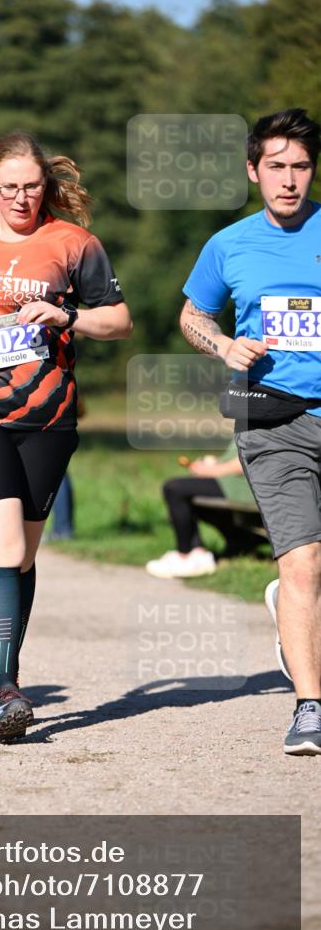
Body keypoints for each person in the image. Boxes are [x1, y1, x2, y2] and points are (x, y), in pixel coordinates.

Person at [0, 131, 132, 743]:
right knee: (4, 546)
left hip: (49, 417)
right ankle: (4, 691)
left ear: (46, 186)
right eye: (8, 187)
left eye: (31, 186)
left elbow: (118, 320)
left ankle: (0, 669)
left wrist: (66, 316)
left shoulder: (74, 244)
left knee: (25, 555)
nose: (19, 197)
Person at [179, 108, 321, 756]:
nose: (288, 180)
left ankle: (290, 619)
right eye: (275, 167)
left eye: (299, 166)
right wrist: (221, 346)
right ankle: (309, 707)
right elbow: (191, 316)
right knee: (302, 561)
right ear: (251, 170)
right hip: (271, 418)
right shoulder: (228, 244)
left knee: (308, 575)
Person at [146, 440, 266, 578]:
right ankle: (201, 551)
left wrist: (211, 470)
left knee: (174, 489)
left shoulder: (264, 419)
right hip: (232, 481)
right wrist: (215, 463)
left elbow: (251, 458)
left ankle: (185, 555)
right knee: (183, 492)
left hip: (245, 486)